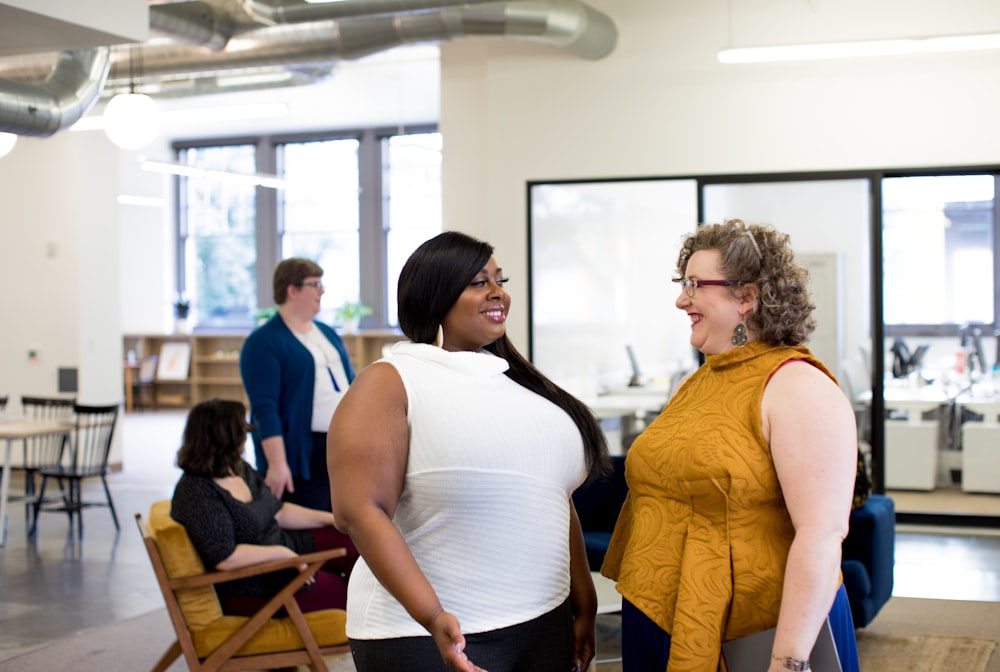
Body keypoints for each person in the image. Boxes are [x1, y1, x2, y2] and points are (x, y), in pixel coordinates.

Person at [327, 231, 611, 672]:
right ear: (435, 296)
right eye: (479, 282)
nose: (498, 292)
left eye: (500, 279)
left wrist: (584, 601)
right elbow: (359, 512)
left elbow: (555, 497)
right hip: (426, 635)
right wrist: (432, 615)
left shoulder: (518, 383)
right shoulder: (391, 380)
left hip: (544, 622)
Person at [601, 219, 860, 672]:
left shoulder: (797, 385)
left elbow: (821, 534)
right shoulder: (697, 381)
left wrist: (788, 661)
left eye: (695, 286)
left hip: (756, 631)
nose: (681, 300)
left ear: (746, 297)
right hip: (661, 612)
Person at [170, 398, 359, 616]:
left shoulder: (237, 468)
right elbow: (226, 557)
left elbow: (277, 511)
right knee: (350, 594)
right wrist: (282, 554)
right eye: (242, 429)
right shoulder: (197, 493)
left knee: (355, 541)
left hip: (282, 547)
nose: (247, 434)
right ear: (225, 438)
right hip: (256, 581)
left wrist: (331, 518)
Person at [240, 257, 355, 512]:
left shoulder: (327, 332)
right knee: (314, 522)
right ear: (292, 290)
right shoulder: (264, 342)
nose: (322, 291)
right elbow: (264, 409)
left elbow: (352, 384)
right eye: (315, 284)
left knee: (345, 519)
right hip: (304, 452)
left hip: (343, 445)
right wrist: (277, 464)